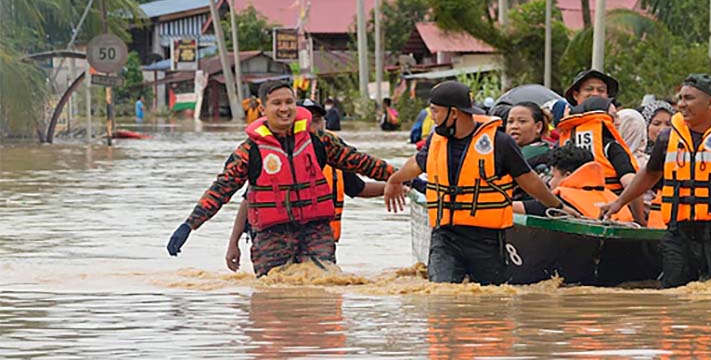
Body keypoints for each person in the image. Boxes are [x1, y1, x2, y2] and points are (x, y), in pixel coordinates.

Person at [165, 80, 395, 277]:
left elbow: (362, 162)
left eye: (289, 102)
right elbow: (221, 190)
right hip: (271, 238)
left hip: (315, 233)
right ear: (263, 109)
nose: (284, 109)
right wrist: (189, 225)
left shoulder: (319, 141)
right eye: (277, 103)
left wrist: (405, 178)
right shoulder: (250, 150)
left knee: (323, 291)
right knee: (274, 302)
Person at [601, 74, 711, 287]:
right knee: (675, 304)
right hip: (679, 238)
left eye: (688, 98)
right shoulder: (667, 138)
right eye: (680, 98)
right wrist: (619, 202)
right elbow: (650, 174)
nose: (681, 104)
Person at [382, 81, 572, 285]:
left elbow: (530, 182)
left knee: (490, 304)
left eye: (436, 112)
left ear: (453, 113)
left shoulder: (500, 143)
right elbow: (417, 164)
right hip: (446, 235)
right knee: (441, 297)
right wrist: (395, 179)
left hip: (486, 239)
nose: (433, 117)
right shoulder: (437, 140)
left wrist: (559, 207)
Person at [224, 99, 384, 272]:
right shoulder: (276, 156)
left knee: (322, 286)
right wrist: (233, 243)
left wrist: (395, 185)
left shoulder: (331, 154)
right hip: (276, 239)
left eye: (316, 120)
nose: (311, 125)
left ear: (324, 123)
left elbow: (359, 189)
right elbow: (248, 201)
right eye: (308, 120)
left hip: (317, 237)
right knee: (276, 289)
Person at [556, 96, 643, 220]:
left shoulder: (565, 145)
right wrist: (640, 220)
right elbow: (632, 184)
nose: (618, 121)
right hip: (610, 214)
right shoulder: (611, 147)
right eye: (613, 116)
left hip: (571, 211)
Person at [514, 146, 634, 222]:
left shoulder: (561, 199)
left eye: (553, 176)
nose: (549, 182)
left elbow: (513, 207)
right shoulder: (612, 197)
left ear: (567, 175)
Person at [505, 102, 555, 171]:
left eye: (522, 121)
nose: (514, 126)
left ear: (538, 127)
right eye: (510, 121)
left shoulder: (534, 154)